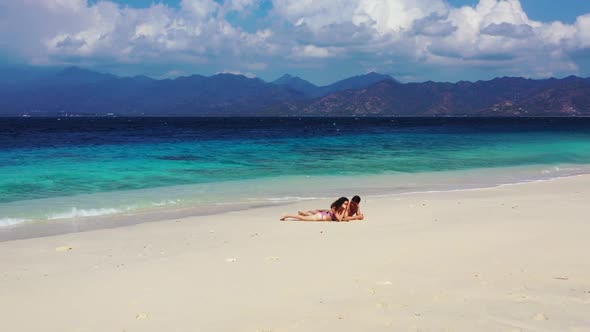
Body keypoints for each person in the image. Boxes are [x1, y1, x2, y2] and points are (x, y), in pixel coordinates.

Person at [280, 197, 350, 222]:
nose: (346, 205)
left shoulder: (340, 209)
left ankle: (304, 213)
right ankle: (287, 215)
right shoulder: (335, 208)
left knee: (304, 217)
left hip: (322, 216)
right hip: (320, 217)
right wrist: (344, 210)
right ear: (341, 202)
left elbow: (345, 217)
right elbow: (339, 220)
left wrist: (345, 209)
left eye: (347, 204)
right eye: (345, 203)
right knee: (302, 218)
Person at [298, 195, 364, 221]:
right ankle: (305, 212)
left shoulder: (357, 207)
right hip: (334, 214)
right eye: (351, 202)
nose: (352, 204)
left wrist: (358, 215)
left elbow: (360, 216)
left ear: (357, 204)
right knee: (319, 211)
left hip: (334, 215)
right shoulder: (347, 205)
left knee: (319, 213)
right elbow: (346, 218)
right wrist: (357, 217)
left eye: (354, 204)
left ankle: (304, 213)